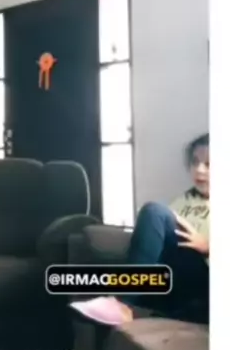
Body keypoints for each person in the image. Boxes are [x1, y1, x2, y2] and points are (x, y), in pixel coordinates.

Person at [71, 134, 209, 326]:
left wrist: (208, 247)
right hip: (173, 276)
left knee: (154, 211)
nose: (199, 170)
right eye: (195, 162)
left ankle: (123, 304)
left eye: (209, 164)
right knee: (152, 217)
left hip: (203, 280)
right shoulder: (185, 200)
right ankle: (119, 305)